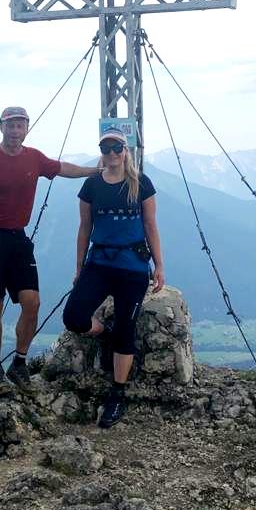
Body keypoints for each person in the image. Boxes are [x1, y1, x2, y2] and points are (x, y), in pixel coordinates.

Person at [0, 106, 98, 390]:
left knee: (32, 302)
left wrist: (95, 172)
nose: (15, 130)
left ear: (26, 128)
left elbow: (62, 168)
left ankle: (20, 363)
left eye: (20, 125)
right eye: (10, 125)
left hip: (18, 238)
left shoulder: (34, 158)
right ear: (1, 127)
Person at [62, 127, 164, 429]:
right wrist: (79, 267)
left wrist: (159, 266)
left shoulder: (141, 183)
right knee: (74, 316)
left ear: (125, 151)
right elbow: (84, 228)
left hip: (133, 266)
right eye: (106, 149)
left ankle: (117, 393)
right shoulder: (91, 185)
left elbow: (150, 225)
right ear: (101, 153)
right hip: (99, 263)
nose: (111, 154)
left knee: (126, 327)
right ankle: (105, 334)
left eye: (117, 148)